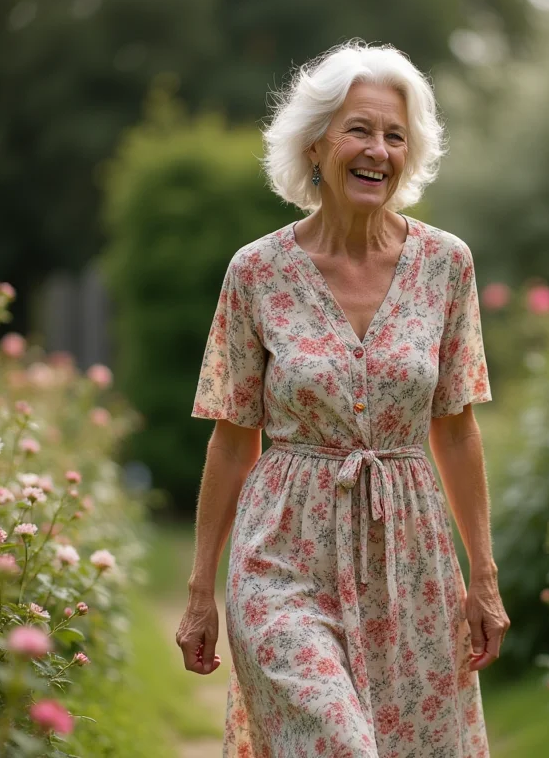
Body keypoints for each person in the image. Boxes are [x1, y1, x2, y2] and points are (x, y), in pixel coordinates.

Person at [176, 39, 510, 758]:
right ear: (316, 144)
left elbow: (456, 430)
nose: (378, 150)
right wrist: (201, 591)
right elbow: (232, 440)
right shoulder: (256, 272)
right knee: (337, 742)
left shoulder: (446, 265)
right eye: (359, 129)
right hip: (282, 554)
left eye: (396, 135)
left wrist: (483, 578)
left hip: (409, 561)